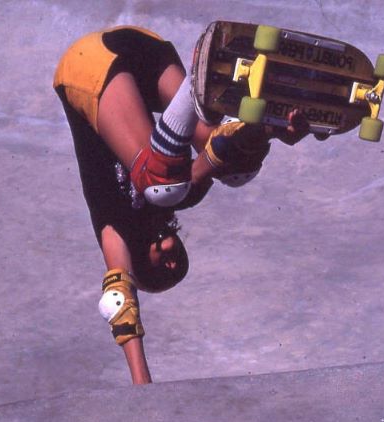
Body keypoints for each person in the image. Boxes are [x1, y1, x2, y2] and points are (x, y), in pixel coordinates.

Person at [53, 25, 309, 384]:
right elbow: (217, 156)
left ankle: (197, 85)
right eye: (180, 267)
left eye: (162, 270)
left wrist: (144, 389)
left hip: (88, 66)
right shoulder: (190, 192)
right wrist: (267, 136)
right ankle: (259, 113)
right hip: (142, 50)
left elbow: (119, 306)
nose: (173, 261)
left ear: (142, 261)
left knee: (163, 184)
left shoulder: (116, 230)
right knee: (230, 171)